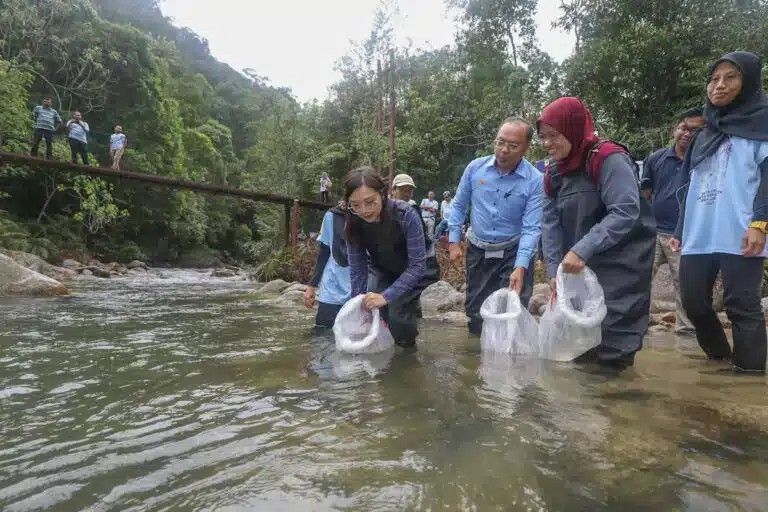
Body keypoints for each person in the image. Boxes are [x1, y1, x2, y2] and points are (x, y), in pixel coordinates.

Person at [538, 97, 656, 369]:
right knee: (582, 343)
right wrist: (554, 270)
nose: (547, 143)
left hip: (621, 263)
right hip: (578, 266)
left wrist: (583, 249)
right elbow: (550, 222)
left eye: (553, 135)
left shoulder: (608, 158)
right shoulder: (555, 171)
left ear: (573, 128)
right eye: (542, 137)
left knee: (615, 340)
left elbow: (625, 210)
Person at [670, 51, 768, 372]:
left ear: (749, 81)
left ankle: (750, 376)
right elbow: (688, 186)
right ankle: (720, 361)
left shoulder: (761, 124)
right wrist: (680, 229)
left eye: (730, 77)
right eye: (714, 79)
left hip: (742, 229)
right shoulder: (704, 134)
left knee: (742, 305)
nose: (719, 86)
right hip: (699, 232)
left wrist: (760, 223)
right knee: (695, 304)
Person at [448, 117, 544, 335]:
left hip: (513, 250)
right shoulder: (475, 168)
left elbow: (531, 228)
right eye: (500, 142)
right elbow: (459, 205)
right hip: (478, 249)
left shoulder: (535, 180)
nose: (503, 150)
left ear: (526, 148)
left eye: (513, 146)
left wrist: (521, 266)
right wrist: (454, 241)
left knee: (511, 312)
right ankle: (477, 364)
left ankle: (509, 365)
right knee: (475, 314)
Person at [345, 167, 438, 347]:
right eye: (355, 205)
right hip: (383, 268)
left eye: (370, 202)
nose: (364, 210)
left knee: (397, 314)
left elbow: (417, 266)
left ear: (383, 194)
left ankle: (407, 355)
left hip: (419, 268)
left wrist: (386, 296)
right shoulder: (353, 223)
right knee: (368, 304)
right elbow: (358, 270)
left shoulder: (407, 215)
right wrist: (357, 304)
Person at [640, 108, 704, 335]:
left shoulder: (703, 160)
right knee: (641, 277)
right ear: (674, 129)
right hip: (654, 231)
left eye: (695, 131)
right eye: (684, 128)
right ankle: (637, 323)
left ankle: (686, 330)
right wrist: (640, 228)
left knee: (683, 283)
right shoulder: (656, 158)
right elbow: (645, 194)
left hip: (685, 233)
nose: (687, 134)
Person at [303, 201, 351, 327]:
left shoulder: (370, 215)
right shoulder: (331, 215)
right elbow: (324, 252)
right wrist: (312, 286)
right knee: (322, 336)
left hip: (359, 290)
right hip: (332, 288)